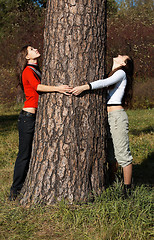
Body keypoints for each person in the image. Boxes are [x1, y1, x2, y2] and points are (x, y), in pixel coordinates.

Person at [9, 45, 72, 200]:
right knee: (24, 155)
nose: (36, 49)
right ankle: (15, 191)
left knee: (34, 152)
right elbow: (38, 87)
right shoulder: (28, 71)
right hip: (27, 118)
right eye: (31, 49)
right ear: (26, 56)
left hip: (36, 117)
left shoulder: (37, 69)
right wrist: (58, 89)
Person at [70, 55, 134, 197]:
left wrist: (84, 87)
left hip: (117, 117)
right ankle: (112, 180)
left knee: (123, 154)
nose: (119, 54)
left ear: (124, 63)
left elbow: (105, 82)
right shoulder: (114, 73)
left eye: (123, 56)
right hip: (108, 116)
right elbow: (107, 79)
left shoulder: (121, 73)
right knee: (110, 154)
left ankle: (127, 190)